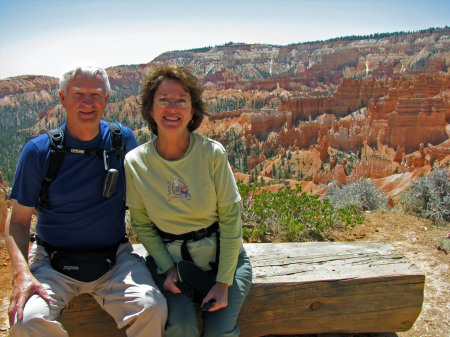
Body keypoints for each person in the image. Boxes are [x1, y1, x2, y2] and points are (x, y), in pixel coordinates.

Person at [5, 65, 167, 337]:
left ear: (106, 99)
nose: (87, 102)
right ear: (62, 98)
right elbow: (19, 220)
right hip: (52, 264)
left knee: (152, 307)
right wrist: (22, 274)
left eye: (95, 94)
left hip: (114, 260)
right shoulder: (38, 151)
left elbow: (148, 200)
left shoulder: (122, 140)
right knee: (25, 321)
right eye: (78, 94)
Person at [124, 64, 252, 337]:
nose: (173, 108)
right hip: (172, 267)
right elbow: (142, 225)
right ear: (150, 109)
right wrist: (167, 269)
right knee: (181, 328)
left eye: (181, 100)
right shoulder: (135, 163)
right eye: (164, 100)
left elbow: (231, 222)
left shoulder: (211, 154)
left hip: (223, 264)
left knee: (219, 333)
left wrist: (223, 282)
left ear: (192, 110)